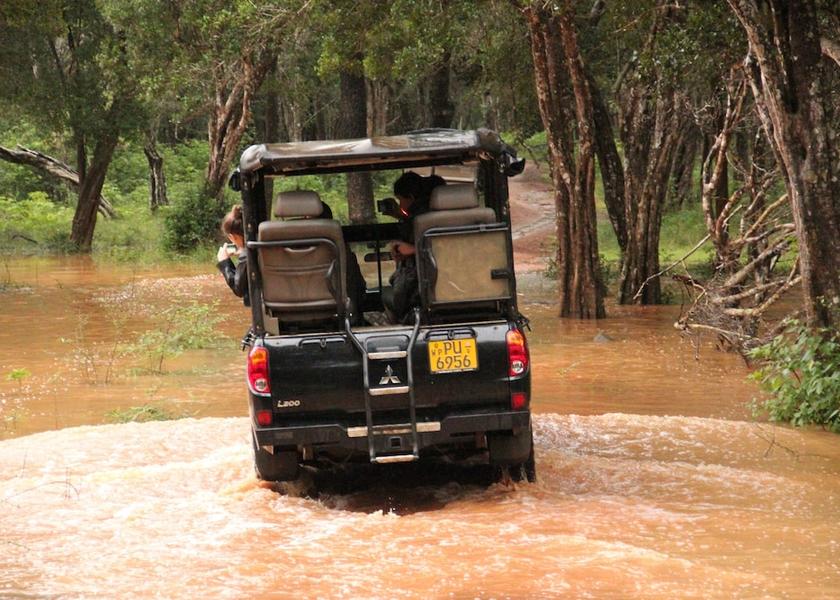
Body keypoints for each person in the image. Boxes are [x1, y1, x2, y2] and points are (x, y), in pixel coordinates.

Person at [385, 172, 446, 322]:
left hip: (425, 293)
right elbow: (455, 249)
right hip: (465, 287)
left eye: (400, 200)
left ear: (411, 197)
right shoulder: (476, 218)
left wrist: (412, 250)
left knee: (388, 294)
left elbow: (444, 249)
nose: (400, 205)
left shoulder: (420, 220)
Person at [217, 205, 249, 306]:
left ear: (233, 236)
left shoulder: (248, 255)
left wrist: (225, 262)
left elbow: (238, 288)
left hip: (269, 307)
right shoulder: (271, 240)